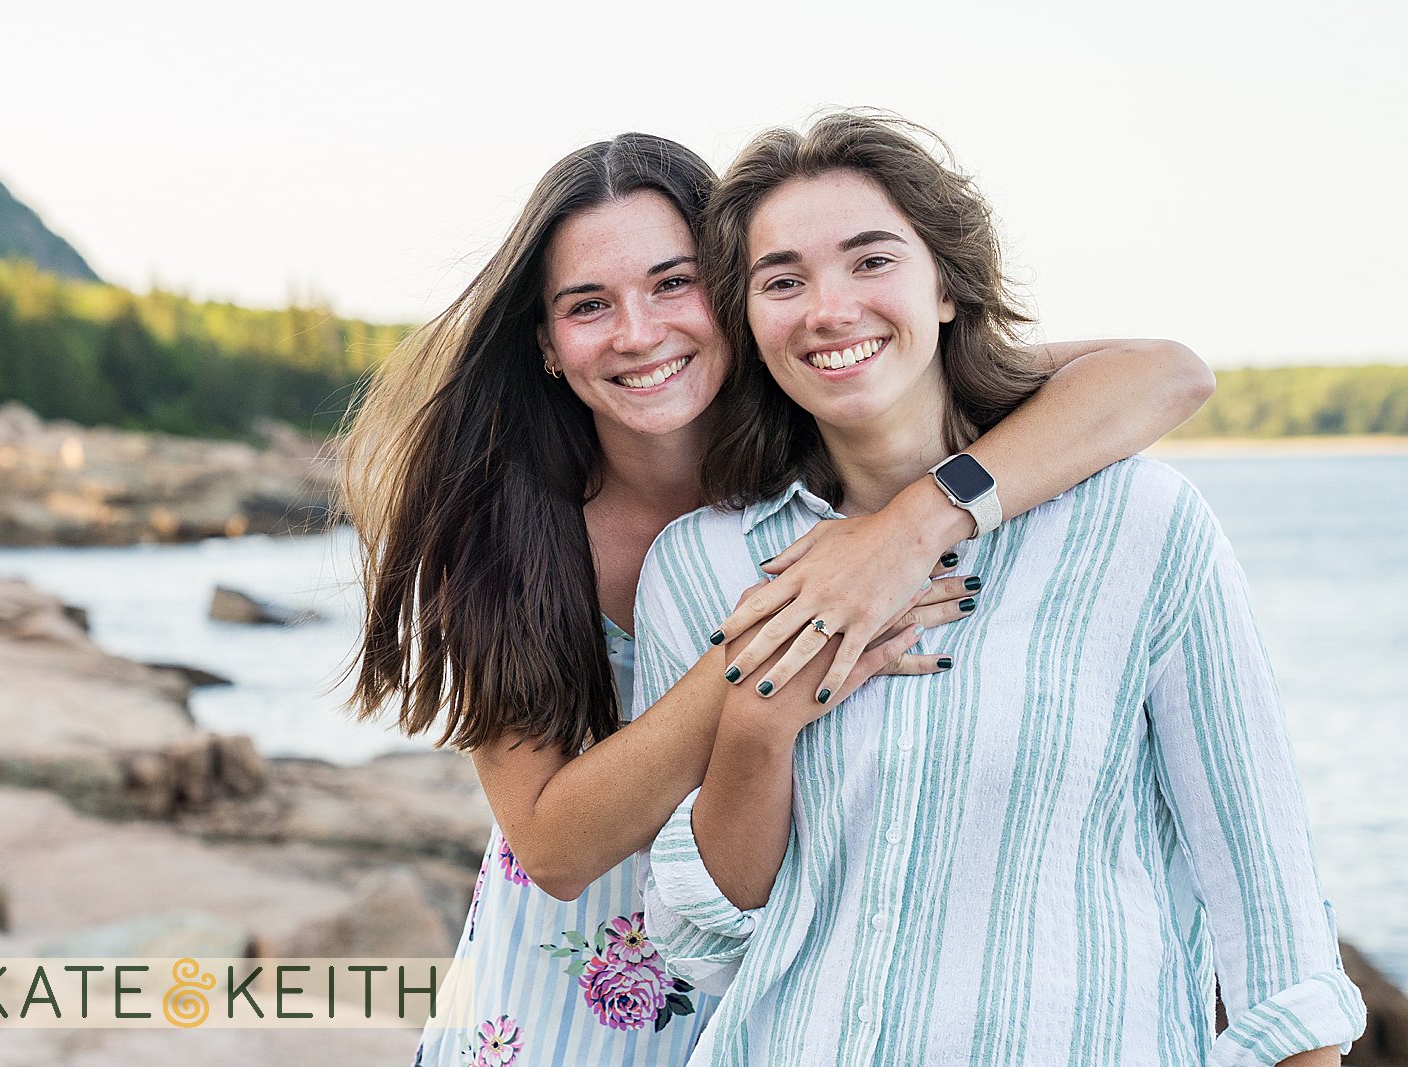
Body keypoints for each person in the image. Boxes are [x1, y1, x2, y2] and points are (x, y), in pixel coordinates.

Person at [339, 130, 1215, 1066]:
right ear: (548, 345)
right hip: (567, 1001)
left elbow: (1168, 372)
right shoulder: (503, 528)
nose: (639, 332)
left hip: (801, 991)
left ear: (737, 290)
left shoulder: (839, 415)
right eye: (589, 305)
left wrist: (908, 529)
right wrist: (768, 645)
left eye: (674, 283)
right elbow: (552, 846)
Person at [638, 112, 1366, 1066]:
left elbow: (1271, 914)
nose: (827, 309)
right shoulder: (702, 564)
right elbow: (706, 939)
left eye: (872, 261)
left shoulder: (1137, 524)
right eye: (783, 280)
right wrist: (763, 715)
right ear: (752, 323)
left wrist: (911, 530)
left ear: (946, 287)